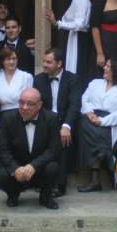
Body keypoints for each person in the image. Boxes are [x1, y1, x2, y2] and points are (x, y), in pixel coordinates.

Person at [0, 88, 61, 209]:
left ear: (39, 105)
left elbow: (53, 149)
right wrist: (15, 168)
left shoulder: (51, 118)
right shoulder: (8, 118)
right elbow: (3, 150)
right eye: (21, 102)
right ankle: (13, 195)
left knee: (53, 167)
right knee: (0, 175)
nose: (24, 107)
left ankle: (45, 197)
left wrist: (33, 165)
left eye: (30, 104)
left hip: (39, 166)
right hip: (18, 164)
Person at [77, 59, 117, 192]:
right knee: (85, 126)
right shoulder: (95, 83)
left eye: (108, 67)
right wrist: (89, 113)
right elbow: (84, 99)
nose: (105, 68)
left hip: (110, 123)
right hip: (90, 119)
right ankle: (105, 157)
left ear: (116, 71)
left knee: (94, 135)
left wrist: (102, 121)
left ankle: (95, 180)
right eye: (105, 65)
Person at [33, 48, 82, 198]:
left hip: (65, 121)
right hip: (46, 122)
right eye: (44, 61)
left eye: (49, 62)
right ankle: (40, 181)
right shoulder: (39, 79)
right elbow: (38, 105)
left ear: (59, 63)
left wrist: (66, 126)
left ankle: (60, 184)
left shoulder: (72, 79)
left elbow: (74, 105)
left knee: (64, 140)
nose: (45, 65)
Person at [44, 0, 91, 80]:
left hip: (78, 39)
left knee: (76, 70)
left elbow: (80, 24)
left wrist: (57, 23)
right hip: (72, 38)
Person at [0, 46, 34, 113]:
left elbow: (31, 99)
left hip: (22, 113)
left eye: (14, 58)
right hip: (1, 115)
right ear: (2, 61)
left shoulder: (26, 77)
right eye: (8, 59)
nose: (11, 62)